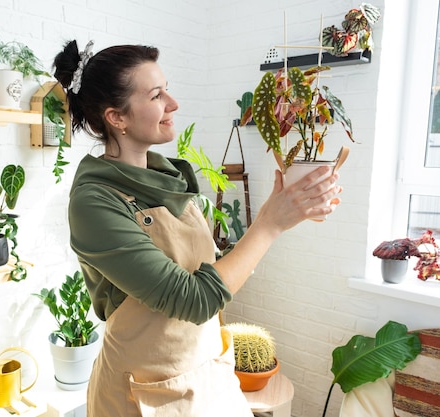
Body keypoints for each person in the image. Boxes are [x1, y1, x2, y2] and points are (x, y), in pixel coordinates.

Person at [53, 40, 342, 417]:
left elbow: (213, 269)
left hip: (206, 375)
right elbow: (193, 298)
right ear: (117, 118)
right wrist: (270, 223)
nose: (173, 104)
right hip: (142, 393)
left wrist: (289, 212)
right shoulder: (94, 202)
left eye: (167, 90)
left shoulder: (171, 179)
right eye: (157, 95)